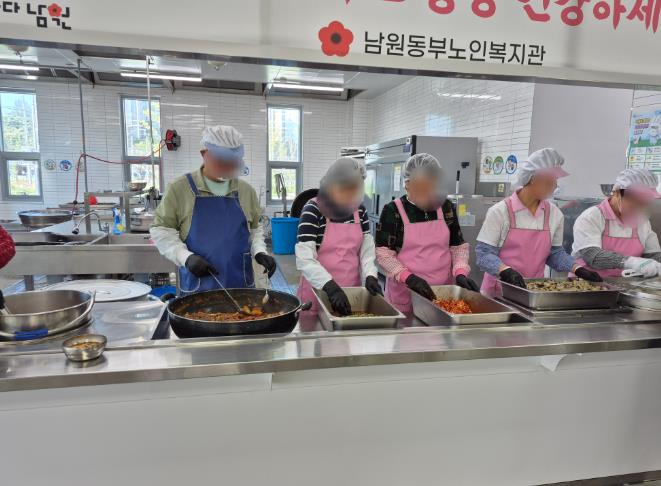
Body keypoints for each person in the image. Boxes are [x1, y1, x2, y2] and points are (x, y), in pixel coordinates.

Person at [151, 125, 276, 293]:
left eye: (232, 162)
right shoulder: (179, 189)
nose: (227, 167)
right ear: (204, 154)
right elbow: (161, 230)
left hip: (240, 284)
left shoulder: (246, 191)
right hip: (198, 288)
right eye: (222, 161)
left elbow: (254, 229)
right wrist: (185, 257)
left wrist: (260, 251)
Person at [476, 148, 601, 297]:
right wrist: (505, 270)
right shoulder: (500, 212)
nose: (554, 186)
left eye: (555, 181)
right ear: (532, 179)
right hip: (498, 292)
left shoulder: (554, 214)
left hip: (533, 290)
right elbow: (483, 254)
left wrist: (576, 268)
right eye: (549, 181)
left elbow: (554, 254)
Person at [375, 153, 478, 313]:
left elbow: (457, 246)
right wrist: (409, 278)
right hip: (405, 295)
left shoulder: (446, 207)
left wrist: (460, 272)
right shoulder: (393, 211)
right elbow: (383, 254)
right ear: (407, 185)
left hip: (443, 294)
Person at [296, 157, 379, 316]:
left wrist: (370, 274)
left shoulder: (360, 211)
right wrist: (331, 287)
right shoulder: (313, 209)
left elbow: (366, 250)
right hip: (317, 293)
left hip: (351, 293)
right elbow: (304, 258)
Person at [572, 168, 661, 278]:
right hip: (587, 284)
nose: (638, 207)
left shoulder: (642, 221)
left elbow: (653, 254)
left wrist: (656, 265)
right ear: (617, 193)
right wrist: (631, 262)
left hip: (625, 284)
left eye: (643, 203)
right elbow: (593, 256)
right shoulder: (592, 217)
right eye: (635, 201)